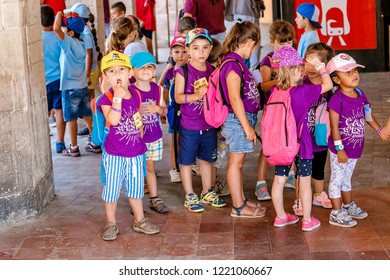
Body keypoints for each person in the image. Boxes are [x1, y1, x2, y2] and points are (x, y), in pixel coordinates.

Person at [268, 46, 333, 231]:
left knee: (279, 180)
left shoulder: (274, 91)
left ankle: (281, 217)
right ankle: (307, 219)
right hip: (302, 143)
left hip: (281, 143)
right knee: (305, 180)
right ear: (296, 71)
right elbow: (327, 85)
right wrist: (320, 66)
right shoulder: (301, 91)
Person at [98, 51, 160, 240]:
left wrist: (140, 133)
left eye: (121, 70)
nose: (117, 75)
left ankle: (140, 220)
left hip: (135, 152)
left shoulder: (135, 94)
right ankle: (111, 223)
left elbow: (137, 115)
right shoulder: (105, 99)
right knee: (112, 190)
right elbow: (114, 120)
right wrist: (117, 97)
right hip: (115, 153)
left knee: (135, 189)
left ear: (129, 74)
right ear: (106, 77)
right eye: (112, 71)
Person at [326, 53, 383, 227]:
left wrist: (379, 130)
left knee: (347, 178)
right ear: (336, 79)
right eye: (347, 72)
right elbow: (334, 127)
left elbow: (368, 116)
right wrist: (339, 148)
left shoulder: (360, 93)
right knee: (336, 179)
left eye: (355, 70)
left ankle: (348, 205)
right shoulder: (337, 99)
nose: (354, 74)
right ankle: (336, 213)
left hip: (355, 148)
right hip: (340, 149)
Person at [174, 28, 226, 212]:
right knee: (187, 162)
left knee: (206, 160)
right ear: (188, 49)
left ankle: (207, 191)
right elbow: (178, 98)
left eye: (205, 48)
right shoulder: (183, 71)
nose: (201, 52)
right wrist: (196, 96)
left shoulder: (212, 71)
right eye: (196, 48)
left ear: (211, 49)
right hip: (190, 126)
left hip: (208, 124)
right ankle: (189, 195)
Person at [219, 19, 265, 218]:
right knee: (236, 163)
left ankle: (241, 200)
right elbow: (235, 98)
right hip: (237, 120)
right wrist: (247, 126)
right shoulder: (232, 65)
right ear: (249, 43)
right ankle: (237, 206)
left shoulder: (237, 62)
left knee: (239, 161)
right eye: (254, 46)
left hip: (242, 119)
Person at [255, 20, 296, 202]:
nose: (286, 46)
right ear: (272, 41)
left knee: (292, 138)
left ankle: (291, 174)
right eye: (281, 42)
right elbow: (264, 86)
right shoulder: (268, 61)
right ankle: (261, 183)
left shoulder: (295, 58)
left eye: (289, 42)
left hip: (290, 106)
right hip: (272, 108)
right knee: (268, 144)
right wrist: (281, 79)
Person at [293, 42, 335, 216]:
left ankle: (318, 194)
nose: (309, 67)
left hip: (320, 135)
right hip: (302, 134)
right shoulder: (301, 80)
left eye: (315, 63)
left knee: (319, 166)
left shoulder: (330, 85)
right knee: (301, 170)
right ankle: (298, 198)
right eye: (307, 61)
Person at [130, 51, 169, 214]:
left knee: (150, 168)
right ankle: (136, 200)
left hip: (153, 137)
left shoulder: (158, 90)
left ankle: (154, 198)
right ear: (132, 71)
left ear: (154, 71)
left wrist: (157, 109)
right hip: (134, 139)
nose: (146, 71)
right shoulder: (129, 91)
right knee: (135, 170)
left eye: (150, 67)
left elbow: (165, 111)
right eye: (141, 68)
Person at [54, 11, 93, 157]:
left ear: (70, 32)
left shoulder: (68, 42)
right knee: (87, 113)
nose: (63, 29)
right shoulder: (82, 40)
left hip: (69, 87)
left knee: (71, 118)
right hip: (82, 84)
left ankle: (74, 146)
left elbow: (56, 28)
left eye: (66, 28)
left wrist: (60, 13)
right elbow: (61, 28)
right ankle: (95, 141)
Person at [160, 36, 189, 183]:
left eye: (184, 52)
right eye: (177, 52)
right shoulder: (170, 73)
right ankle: (174, 168)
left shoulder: (191, 71)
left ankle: (189, 165)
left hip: (190, 113)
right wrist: (163, 109)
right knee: (175, 140)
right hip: (174, 112)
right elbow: (164, 91)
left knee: (189, 140)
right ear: (171, 53)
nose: (180, 56)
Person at [41, 5, 67, 153]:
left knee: (43, 112)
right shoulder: (58, 37)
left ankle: (43, 141)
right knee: (59, 111)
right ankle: (60, 141)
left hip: (43, 82)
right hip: (58, 79)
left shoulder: (36, 39)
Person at [207, 38, 229, 196]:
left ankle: (212, 184)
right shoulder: (217, 73)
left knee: (211, 156)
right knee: (215, 156)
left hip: (208, 120)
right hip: (218, 119)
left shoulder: (205, 71)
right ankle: (213, 185)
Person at [224, 0, 264, 70]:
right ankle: (252, 69)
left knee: (240, 37)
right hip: (248, 9)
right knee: (251, 37)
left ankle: (244, 67)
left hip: (236, 8)